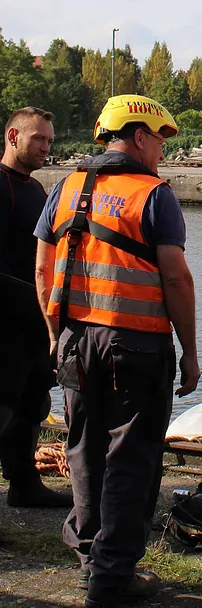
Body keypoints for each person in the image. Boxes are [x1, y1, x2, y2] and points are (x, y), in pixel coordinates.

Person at [34, 94, 200, 608]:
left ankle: (90, 559)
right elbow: (175, 277)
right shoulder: (153, 196)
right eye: (160, 141)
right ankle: (112, 577)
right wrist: (191, 351)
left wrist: (54, 334)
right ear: (140, 136)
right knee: (132, 457)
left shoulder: (65, 188)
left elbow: (42, 269)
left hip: (75, 341)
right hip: (137, 344)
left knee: (83, 448)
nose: (163, 153)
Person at [0, 106, 72, 508]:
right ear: (13, 138)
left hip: (33, 325)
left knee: (32, 402)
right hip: (7, 324)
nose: (46, 147)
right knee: (4, 405)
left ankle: (24, 484)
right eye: (38, 139)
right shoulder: (1, 185)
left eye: (49, 140)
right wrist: (35, 303)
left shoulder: (36, 190)